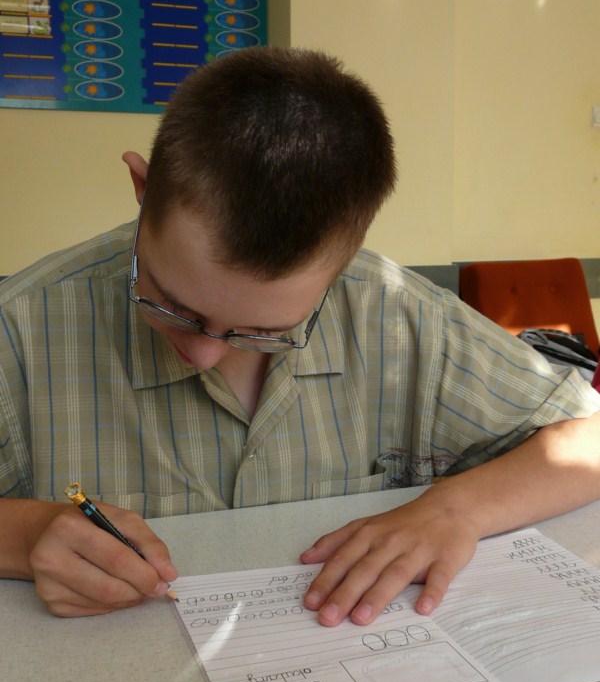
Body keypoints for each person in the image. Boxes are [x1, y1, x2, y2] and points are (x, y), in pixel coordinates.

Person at [1, 47, 600, 625]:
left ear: (342, 263)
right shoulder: (21, 328)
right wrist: (24, 538)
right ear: (142, 187)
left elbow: (587, 440)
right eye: (171, 303)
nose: (204, 353)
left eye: (265, 330)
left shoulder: (403, 317)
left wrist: (457, 509)